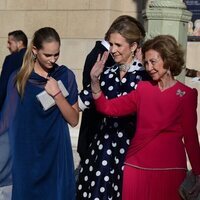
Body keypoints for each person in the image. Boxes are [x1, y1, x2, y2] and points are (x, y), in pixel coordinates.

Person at [90, 35, 200, 200]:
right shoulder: (143, 89)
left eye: (153, 62)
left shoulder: (186, 95)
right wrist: (94, 82)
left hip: (171, 171)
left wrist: (198, 173)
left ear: (168, 59)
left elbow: (191, 138)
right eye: (146, 63)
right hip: (136, 168)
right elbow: (108, 107)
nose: (149, 68)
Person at [76, 15, 151, 199]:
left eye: (118, 45)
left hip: (133, 152)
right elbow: (78, 104)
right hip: (102, 151)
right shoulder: (106, 74)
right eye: (111, 44)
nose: (113, 50)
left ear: (133, 46)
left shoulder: (146, 77)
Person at [0, 27, 79, 200]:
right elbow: (7, 120)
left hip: (56, 153)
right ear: (35, 50)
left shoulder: (65, 76)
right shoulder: (19, 79)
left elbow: (74, 120)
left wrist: (57, 94)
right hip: (27, 155)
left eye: (56, 54)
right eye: (47, 55)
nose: (53, 59)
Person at [0, 30, 28, 111]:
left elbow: (3, 85)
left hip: (13, 107)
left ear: (19, 43)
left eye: (10, 43)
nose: (8, 46)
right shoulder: (35, 57)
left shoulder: (11, 59)